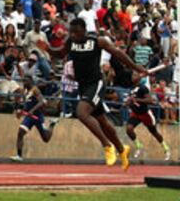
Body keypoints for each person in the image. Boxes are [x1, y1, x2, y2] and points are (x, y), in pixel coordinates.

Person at [39, 18, 147, 170]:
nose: (73, 35)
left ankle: (107, 146)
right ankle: (122, 150)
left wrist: (136, 67)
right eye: (71, 32)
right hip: (83, 86)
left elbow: (118, 54)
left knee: (82, 112)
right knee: (101, 121)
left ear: (84, 30)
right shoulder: (71, 42)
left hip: (96, 83)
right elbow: (61, 53)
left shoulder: (97, 41)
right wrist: (48, 49)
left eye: (76, 32)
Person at [9, 75, 58, 162]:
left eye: (26, 80)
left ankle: (52, 125)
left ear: (30, 81)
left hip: (38, 117)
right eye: (23, 80)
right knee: (20, 133)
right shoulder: (25, 92)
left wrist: (32, 110)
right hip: (29, 117)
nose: (24, 82)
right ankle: (19, 156)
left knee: (46, 138)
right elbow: (26, 105)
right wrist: (20, 111)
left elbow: (42, 102)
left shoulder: (35, 90)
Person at [125, 72, 170, 160]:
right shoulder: (132, 88)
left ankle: (166, 148)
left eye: (135, 75)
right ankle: (138, 146)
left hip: (145, 114)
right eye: (132, 75)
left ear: (139, 77)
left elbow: (150, 100)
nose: (132, 77)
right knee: (129, 129)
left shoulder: (143, 88)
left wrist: (137, 99)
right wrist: (127, 103)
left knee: (154, 132)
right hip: (135, 113)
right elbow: (131, 101)